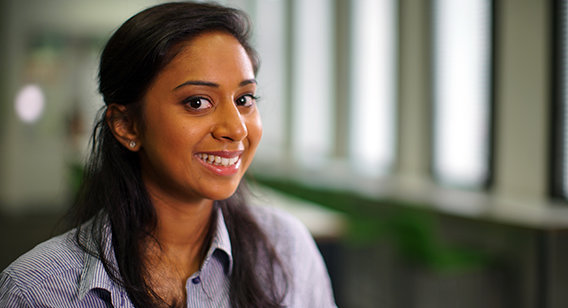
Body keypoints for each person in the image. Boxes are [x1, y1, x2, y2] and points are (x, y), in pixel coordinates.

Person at [0, 2, 336, 307]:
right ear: (127, 126)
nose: (237, 129)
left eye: (245, 99)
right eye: (197, 102)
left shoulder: (287, 251)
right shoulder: (35, 291)